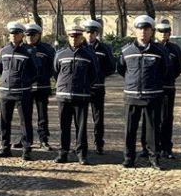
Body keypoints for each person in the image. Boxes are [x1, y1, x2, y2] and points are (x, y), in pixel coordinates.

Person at [116, 15, 169, 170]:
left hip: (152, 95)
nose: (143, 32)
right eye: (140, 29)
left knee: (152, 130)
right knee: (130, 129)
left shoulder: (160, 50)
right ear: (135, 30)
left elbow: (165, 70)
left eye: (146, 29)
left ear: (151, 31)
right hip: (131, 95)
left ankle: (154, 158)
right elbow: (121, 69)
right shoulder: (126, 50)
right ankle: (129, 157)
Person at [53, 24, 98, 165]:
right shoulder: (60, 54)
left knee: (81, 127)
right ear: (68, 37)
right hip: (63, 96)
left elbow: (94, 75)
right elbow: (56, 72)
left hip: (81, 96)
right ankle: (63, 152)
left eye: (77, 36)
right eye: (71, 36)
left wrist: (84, 86)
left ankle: (81, 153)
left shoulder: (89, 55)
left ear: (81, 37)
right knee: (63, 126)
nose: (74, 39)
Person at [0, 21, 39, 160]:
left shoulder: (29, 51)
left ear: (21, 35)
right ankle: (5, 147)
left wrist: (25, 82)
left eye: (16, 33)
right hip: (5, 91)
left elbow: (35, 71)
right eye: (11, 34)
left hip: (22, 91)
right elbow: (0, 69)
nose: (13, 36)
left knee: (25, 121)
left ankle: (26, 149)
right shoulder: (3, 50)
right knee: (5, 121)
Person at [145, 19, 181, 159]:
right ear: (156, 33)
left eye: (166, 31)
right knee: (150, 118)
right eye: (160, 31)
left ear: (169, 33)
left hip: (167, 87)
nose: (163, 34)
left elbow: (178, 68)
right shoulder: (151, 47)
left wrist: (168, 78)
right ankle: (147, 146)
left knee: (166, 118)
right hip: (152, 88)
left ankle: (166, 147)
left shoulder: (174, 49)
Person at [83, 19, 116, 154]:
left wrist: (99, 75)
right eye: (87, 32)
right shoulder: (81, 47)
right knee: (81, 118)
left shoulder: (104, 48)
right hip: (83, 88)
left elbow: (111, 67)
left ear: (97, 33)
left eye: (92, 32)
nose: (90, 35)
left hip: (98, 87)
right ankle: (81, 144)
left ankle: (99, 143)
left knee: (98, 117)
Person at [24, 22, 56, 150]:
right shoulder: (22, 49)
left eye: (33, 35)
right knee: (25, 115)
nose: (30, 38)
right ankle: (26, 139)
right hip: (26, 87)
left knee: (42, 116)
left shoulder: (47, 49)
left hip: (42, 86)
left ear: (38, 35)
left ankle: (43, 139)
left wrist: (43, 77)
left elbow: (53, 67)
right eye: (27, 35)